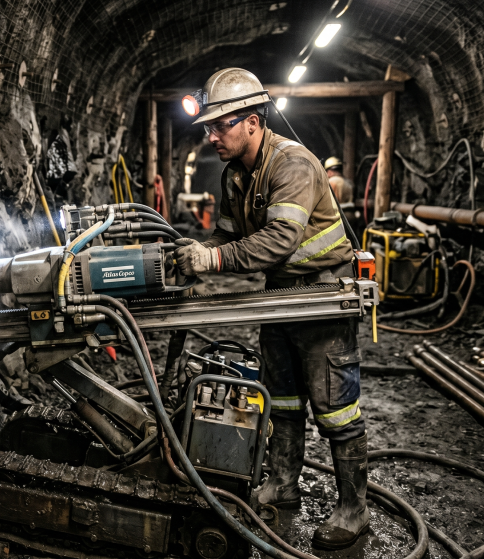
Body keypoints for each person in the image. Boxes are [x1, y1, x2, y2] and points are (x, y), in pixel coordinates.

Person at [175, 68, 368, 551]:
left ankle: (354, 509)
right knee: (281, 399)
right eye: (208, 127)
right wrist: (198, 253)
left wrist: (214, 260)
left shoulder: (293, 164)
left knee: (337, 411)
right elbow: (227, 235)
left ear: (253, 122)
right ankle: (283, 483)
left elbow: (281, 240)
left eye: (220, 126)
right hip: (280, 295)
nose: (211, 136)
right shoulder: (235, 175)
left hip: (323, 297)